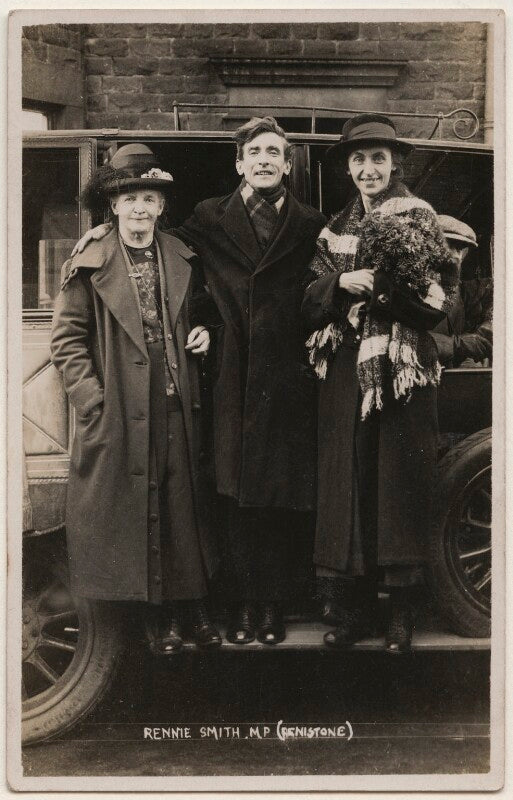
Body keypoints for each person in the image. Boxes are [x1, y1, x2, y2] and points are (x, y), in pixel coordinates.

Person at [70, 118, 326, 645]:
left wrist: (205, 327)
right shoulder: (209, 218)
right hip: (229, 378)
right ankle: (230, 609)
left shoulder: (310, 222)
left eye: (274, 152)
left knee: (269, 501)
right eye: (254, 151)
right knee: (222, 499)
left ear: (287, 163)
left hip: (282, 379)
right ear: (239, 163)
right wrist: (98, 230)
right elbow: (81, 325)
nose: (263, 160)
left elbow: (198, 296)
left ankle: (271, 608)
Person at [51, 143, 221, 655]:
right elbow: (67, 341)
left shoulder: (181, 256)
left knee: (178, 511)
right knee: (135, 513)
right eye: (131, 198)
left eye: (150, 198)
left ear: (162, 206)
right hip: (121, 408)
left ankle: (190, 611)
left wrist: (205, 333)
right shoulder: (90, 262)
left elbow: (203, 313)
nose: (141, 208)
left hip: (174, 403)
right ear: (114, 205)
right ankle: (158, 620)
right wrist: (92, 401)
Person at [302, 114, 459, 654]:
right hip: (347, 371)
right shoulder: (334, 227)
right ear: (348, 167)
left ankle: (402, 616)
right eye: (359, 159)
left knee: (396, 489)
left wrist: (385, 291)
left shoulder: (420, 220)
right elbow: (308, 298)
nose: (368, 169)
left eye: (378, 159)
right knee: (353, 489)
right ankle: (356, 612)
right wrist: (339, 283)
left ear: (394, 164)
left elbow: (437, 307)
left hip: (402, 370)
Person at [430, 215, 492, 367]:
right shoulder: (403, 289)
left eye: (460, 249)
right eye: (448, 246)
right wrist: (458, 346)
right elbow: (401, 342)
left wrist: (485, 331)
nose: (457, 256)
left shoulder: (460, 290)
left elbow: (499, 296)